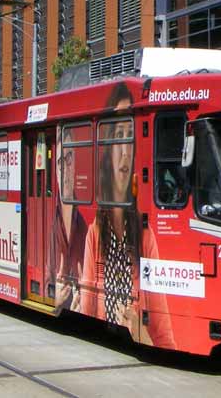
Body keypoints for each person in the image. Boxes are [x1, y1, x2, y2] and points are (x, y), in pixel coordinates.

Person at [79, 82, 176, 349]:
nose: (124, 151)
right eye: (117, 137)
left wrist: (139, 331)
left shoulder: (146, 236)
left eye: (130, 138)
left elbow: (166, 338)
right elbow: (83, 312)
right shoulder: (95, 233)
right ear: (107, 150)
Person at [51, 126, 88, 313]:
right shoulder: (49, 222)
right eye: (59, 162)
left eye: (69, 158)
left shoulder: (84, 228)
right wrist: (55, 302)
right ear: (56, 171)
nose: (65, 168)